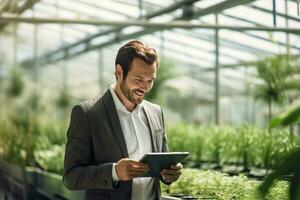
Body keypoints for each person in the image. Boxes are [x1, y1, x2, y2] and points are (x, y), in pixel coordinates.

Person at [62, 40, 183, 200]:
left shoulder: (156, 113)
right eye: (139, 79)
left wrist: (169, 174)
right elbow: (71, 177)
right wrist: (114, 172)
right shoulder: (87, 114)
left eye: (151, 80)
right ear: (119, 72)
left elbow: (162, 167)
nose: (145, 88)